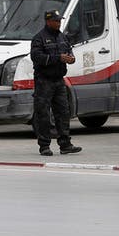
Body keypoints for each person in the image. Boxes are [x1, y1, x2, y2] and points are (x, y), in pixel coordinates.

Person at [30, 9, 82, 156]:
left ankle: (65, 144)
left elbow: (70, 53)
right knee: (43, 114)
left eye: (60, 21)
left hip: (59, 80)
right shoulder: (39, 38)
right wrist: (57, 58)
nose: (59, 23)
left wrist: (71, 59)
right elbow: (37, 57)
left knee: (63, 113)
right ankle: (44, 146)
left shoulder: (62, 37)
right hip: (44, 81)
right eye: (56, 21)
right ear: (48, 21)